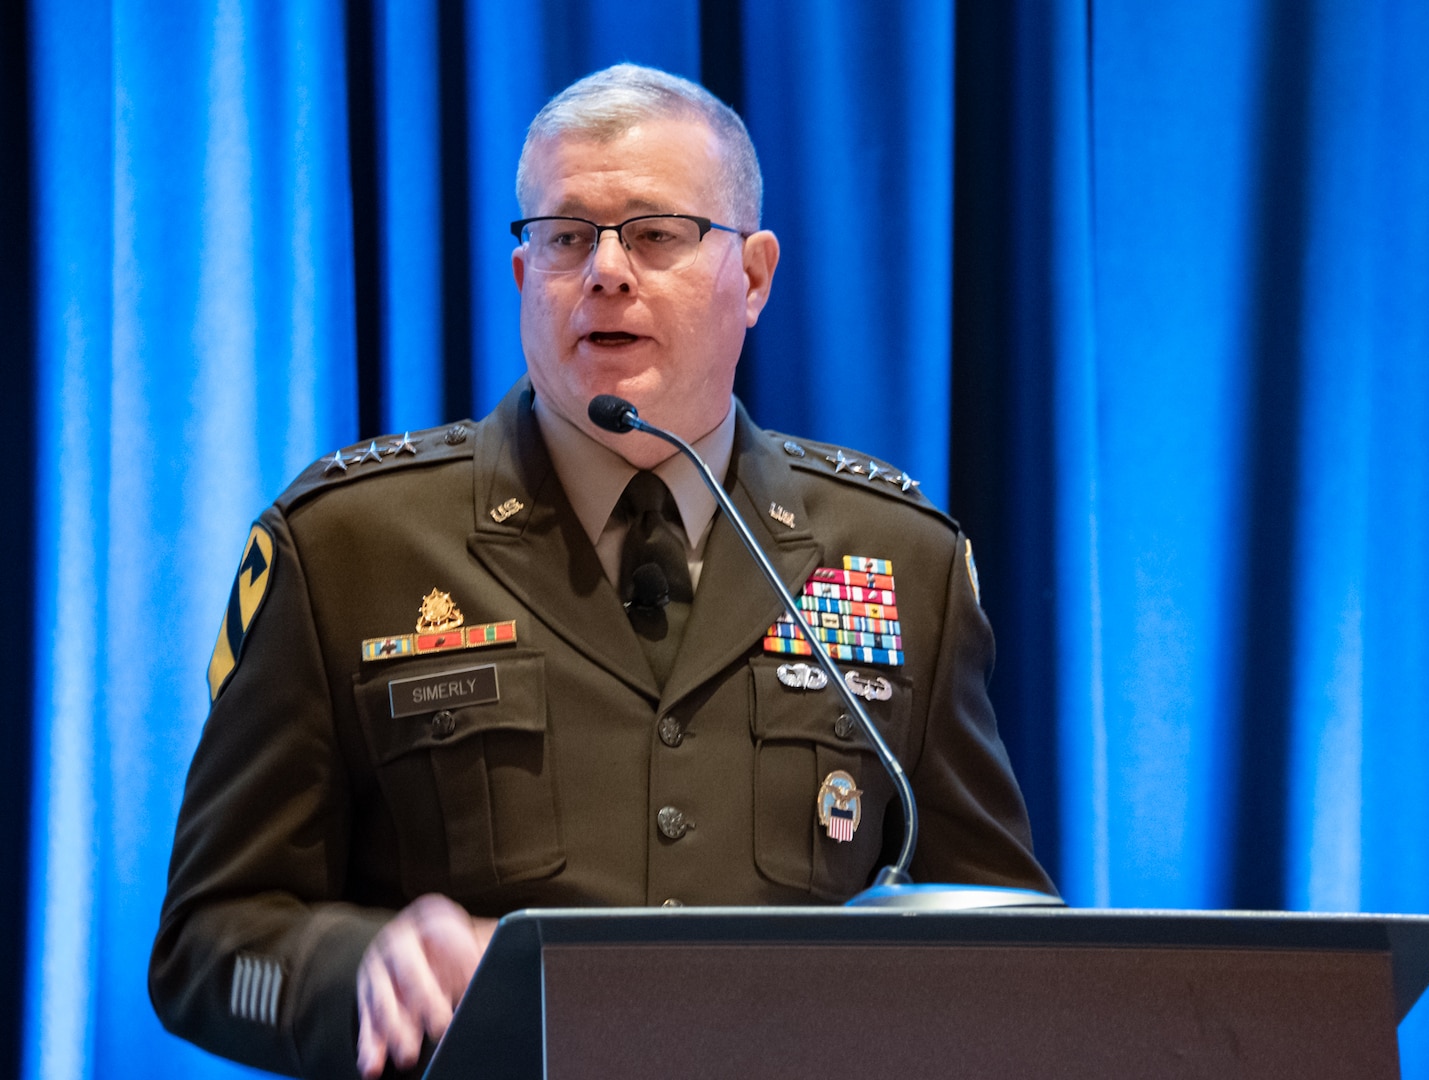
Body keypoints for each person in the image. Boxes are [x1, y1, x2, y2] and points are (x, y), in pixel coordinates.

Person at [149, 63, 1055, 1080]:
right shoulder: (348, 546)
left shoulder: (900, 561)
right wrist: (354, 970)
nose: (607, 272)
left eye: (658, 235)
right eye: (567, 238)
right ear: (524, 276)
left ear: (752, 278)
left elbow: (1008, 948)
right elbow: (205, 946)